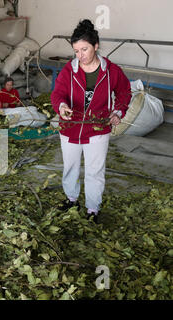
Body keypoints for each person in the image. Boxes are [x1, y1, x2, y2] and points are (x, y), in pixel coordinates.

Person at [50, 19, 131, 224]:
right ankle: (71, 199)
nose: (80, 56)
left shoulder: (111, 71)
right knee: (71, 167)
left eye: (84, 49)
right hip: (71, 127)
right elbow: (57, 93)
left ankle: (92, 209)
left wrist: (118, 112)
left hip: (97, 129)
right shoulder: (70, 70)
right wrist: (61, 106)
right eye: (76, 51)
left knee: (95, 171)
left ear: (95, 46)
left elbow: (124, 92)